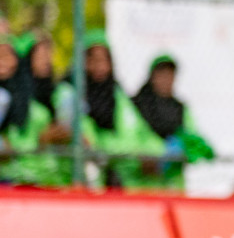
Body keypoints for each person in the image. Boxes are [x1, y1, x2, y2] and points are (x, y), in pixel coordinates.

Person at [55, 30, 167, 189]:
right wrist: (124, 153)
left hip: (124, 183)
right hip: (82, 182)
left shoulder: (116, 94)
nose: (100, 67)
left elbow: (139, 131)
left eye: (104, 60)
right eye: (93, 60)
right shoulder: (68, 92)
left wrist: (158, 152)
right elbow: (84, 137)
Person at [131, 53, 214, 190]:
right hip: (143, 188)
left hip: (173, 187)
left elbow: (191, 137)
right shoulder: (136, 105)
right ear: (152, 77)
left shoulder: (180, 108)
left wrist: (185, 149)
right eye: (162, 74)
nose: (166, 80)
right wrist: (155, 157)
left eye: (170, 75)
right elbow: (131, 137)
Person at [0, 35, 69, 186]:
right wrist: (40, 140)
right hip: (18, 176)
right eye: (39, 55)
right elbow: (13, 139)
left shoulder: (57, 93)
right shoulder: (12, 97)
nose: (46, 60)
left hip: (50, 176)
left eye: (47, 54)